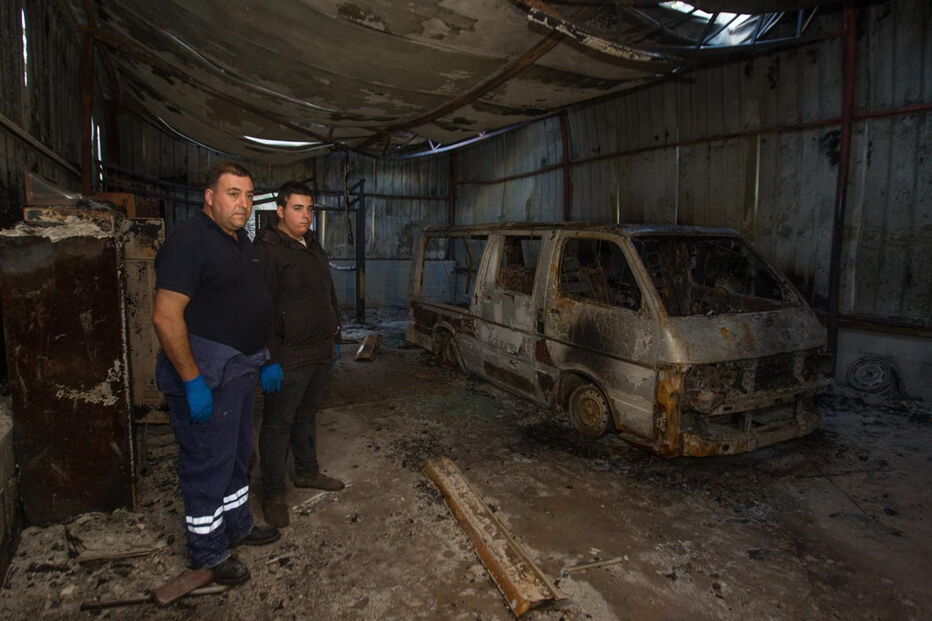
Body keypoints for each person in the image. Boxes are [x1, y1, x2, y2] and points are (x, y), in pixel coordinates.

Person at [152, 161, 280, 586]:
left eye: (248, 195)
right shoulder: (189, 242)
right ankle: (207, 551)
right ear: (209, 197)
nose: (243, 203)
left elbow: (246, 303)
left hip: (237, 373)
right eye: (232, 194)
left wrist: (265, 356)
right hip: (206, 377)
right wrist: (191, 382)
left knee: (237, 460)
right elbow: (166, 317)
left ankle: (238, 524)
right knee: (207, 465)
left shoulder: (238, 241)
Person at [256, 181, 345, 529]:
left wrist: (336, 332)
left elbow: (327, 293)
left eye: (309, 209)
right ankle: (273, 493)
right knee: (278, 424)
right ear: (280, 211)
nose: (306, 215)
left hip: (320, 349)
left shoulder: (311, 244)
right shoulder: (268, 249)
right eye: (298, 208)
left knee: (307, 416)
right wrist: (269, 358)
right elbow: (261, 308)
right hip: (289, 356)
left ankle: (307, 472)